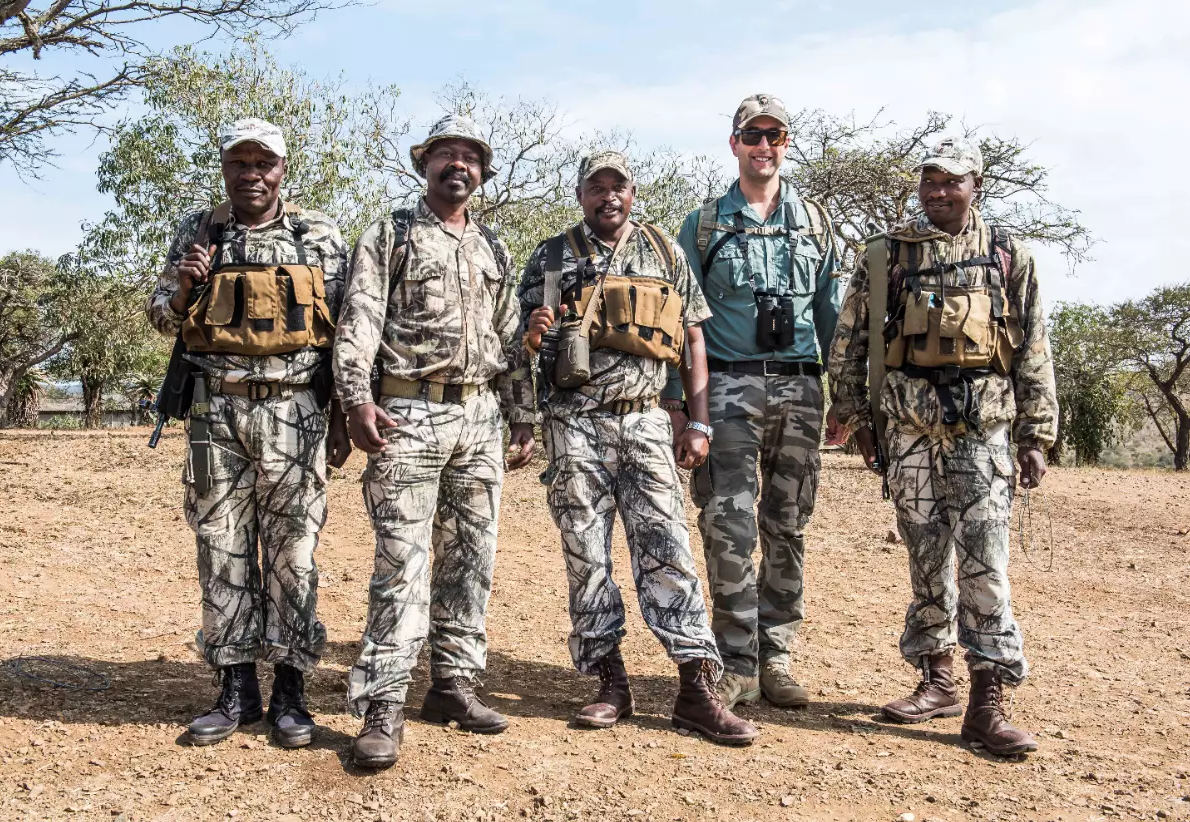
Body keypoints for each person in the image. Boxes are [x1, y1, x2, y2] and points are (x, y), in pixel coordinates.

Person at [517, 150, 758, 746]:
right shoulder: (551, 256)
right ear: (580, 195)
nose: (608, 197)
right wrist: (534, 339)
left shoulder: (663, 251)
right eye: (596, 187)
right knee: (586, 555)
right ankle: (610, 681)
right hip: (573, 424)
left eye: (618, 187)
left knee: (669, 550)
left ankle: (696, 689)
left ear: (631, 193)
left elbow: (693, 338)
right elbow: (518, 345)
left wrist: (698, 423)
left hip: (647, 421)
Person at [827, 136, 1057, 756]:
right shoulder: (888, 255)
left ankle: (988, 701)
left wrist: (1036, 434)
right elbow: (851, 340)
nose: (938, 192)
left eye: (951, 181)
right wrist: (855, 415)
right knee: (925, 557)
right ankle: (937, 680)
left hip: (983, 433)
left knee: (985, 565)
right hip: (908, 433)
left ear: (975, 184)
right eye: (929, 180)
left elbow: (1034, 347)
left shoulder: (1008, 254)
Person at [334, 115, 534, 768]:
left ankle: (452, 683)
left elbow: (509, 339)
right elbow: (360, 318)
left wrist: (522, 415)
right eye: (446, 154)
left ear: (483, 172)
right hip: (408, 414)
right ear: (424, 165)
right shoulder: (391, 233)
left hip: (479, 417)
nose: (458, 165)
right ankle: (383, 703)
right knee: (402, 564)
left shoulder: (492, 246)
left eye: (470, 157)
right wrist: (356, 397)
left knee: (471, 559)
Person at [146, 117, 351, 748]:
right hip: (216, 413)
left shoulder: (318, 235)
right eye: (240, 163)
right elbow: (161, 317)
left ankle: (291, 691)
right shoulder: (201, 229)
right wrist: (183, 287)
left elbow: (348, 331)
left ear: (282, 169)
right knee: (221, 548)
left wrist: (343, 415)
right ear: (225, 169)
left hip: (296, 412)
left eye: (264, 163)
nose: (252, 175)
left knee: (294, 553)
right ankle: (236, 688)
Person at [673, 94, 841, 711]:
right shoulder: (704, 224)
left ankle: (777, 657)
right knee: (729, 525)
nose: (763, 145)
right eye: (752, 135)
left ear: (786, 143)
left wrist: (845, 399)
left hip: (801, 389)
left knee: (788, 524)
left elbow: (833, 314)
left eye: (775, 135)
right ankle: (737, 661)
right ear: (734, 143)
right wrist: (683, 407)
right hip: (728, 389)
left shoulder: (816, 222)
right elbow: (682, 322)